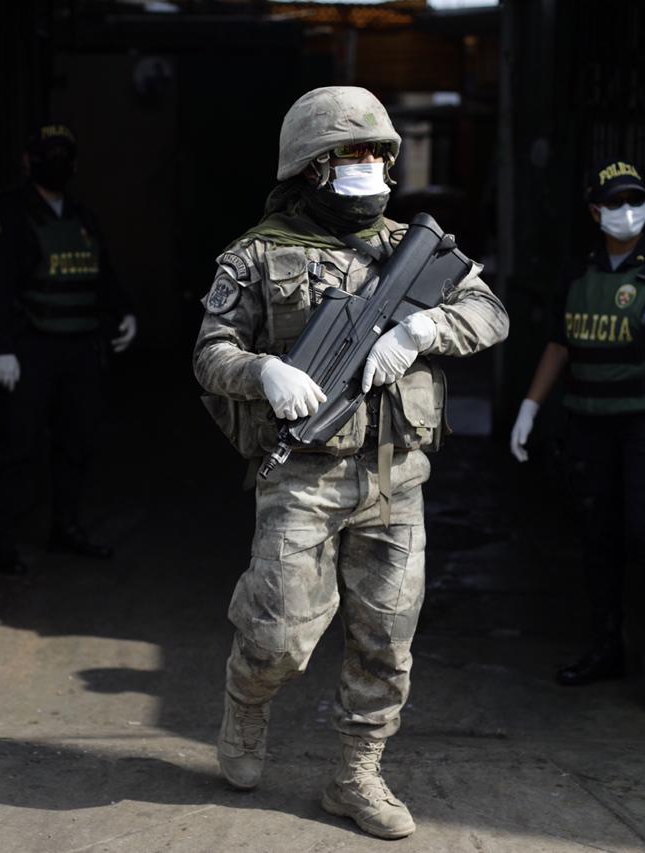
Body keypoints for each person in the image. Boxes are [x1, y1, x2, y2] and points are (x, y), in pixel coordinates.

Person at [193, 86, 508, 839]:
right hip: (303, 473)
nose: (368, 165)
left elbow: (490, 312)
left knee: (386, 638)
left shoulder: (412, 248)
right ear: (310, 167)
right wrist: (264, 372)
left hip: (395, 472)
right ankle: (245, 709)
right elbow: (211, 353)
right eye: (349, 154)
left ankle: (357, 773)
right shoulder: (256, 254)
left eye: (376, 153)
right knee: (278, 634)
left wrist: (423, 330)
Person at [509, 159, 645, 693]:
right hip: (588, 423)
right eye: (615, 202)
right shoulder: (578, 272)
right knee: (597, 536)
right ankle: (606, 647)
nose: (627, 211)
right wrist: (530, 406)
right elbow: (559, 343)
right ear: (594, 211)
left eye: (635, 200)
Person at [0, 123, 137, 575]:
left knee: (77, 443)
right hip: (29, 350)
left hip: (80, 350)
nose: (58, 163)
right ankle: (3, 544)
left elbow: (104, 275)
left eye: (65, 155)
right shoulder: (9, 215)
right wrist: (0, 347)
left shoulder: (83, 217)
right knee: (17, 446)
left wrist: (124, 312)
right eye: (49, 154)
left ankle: (65, 528)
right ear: (28, 161)